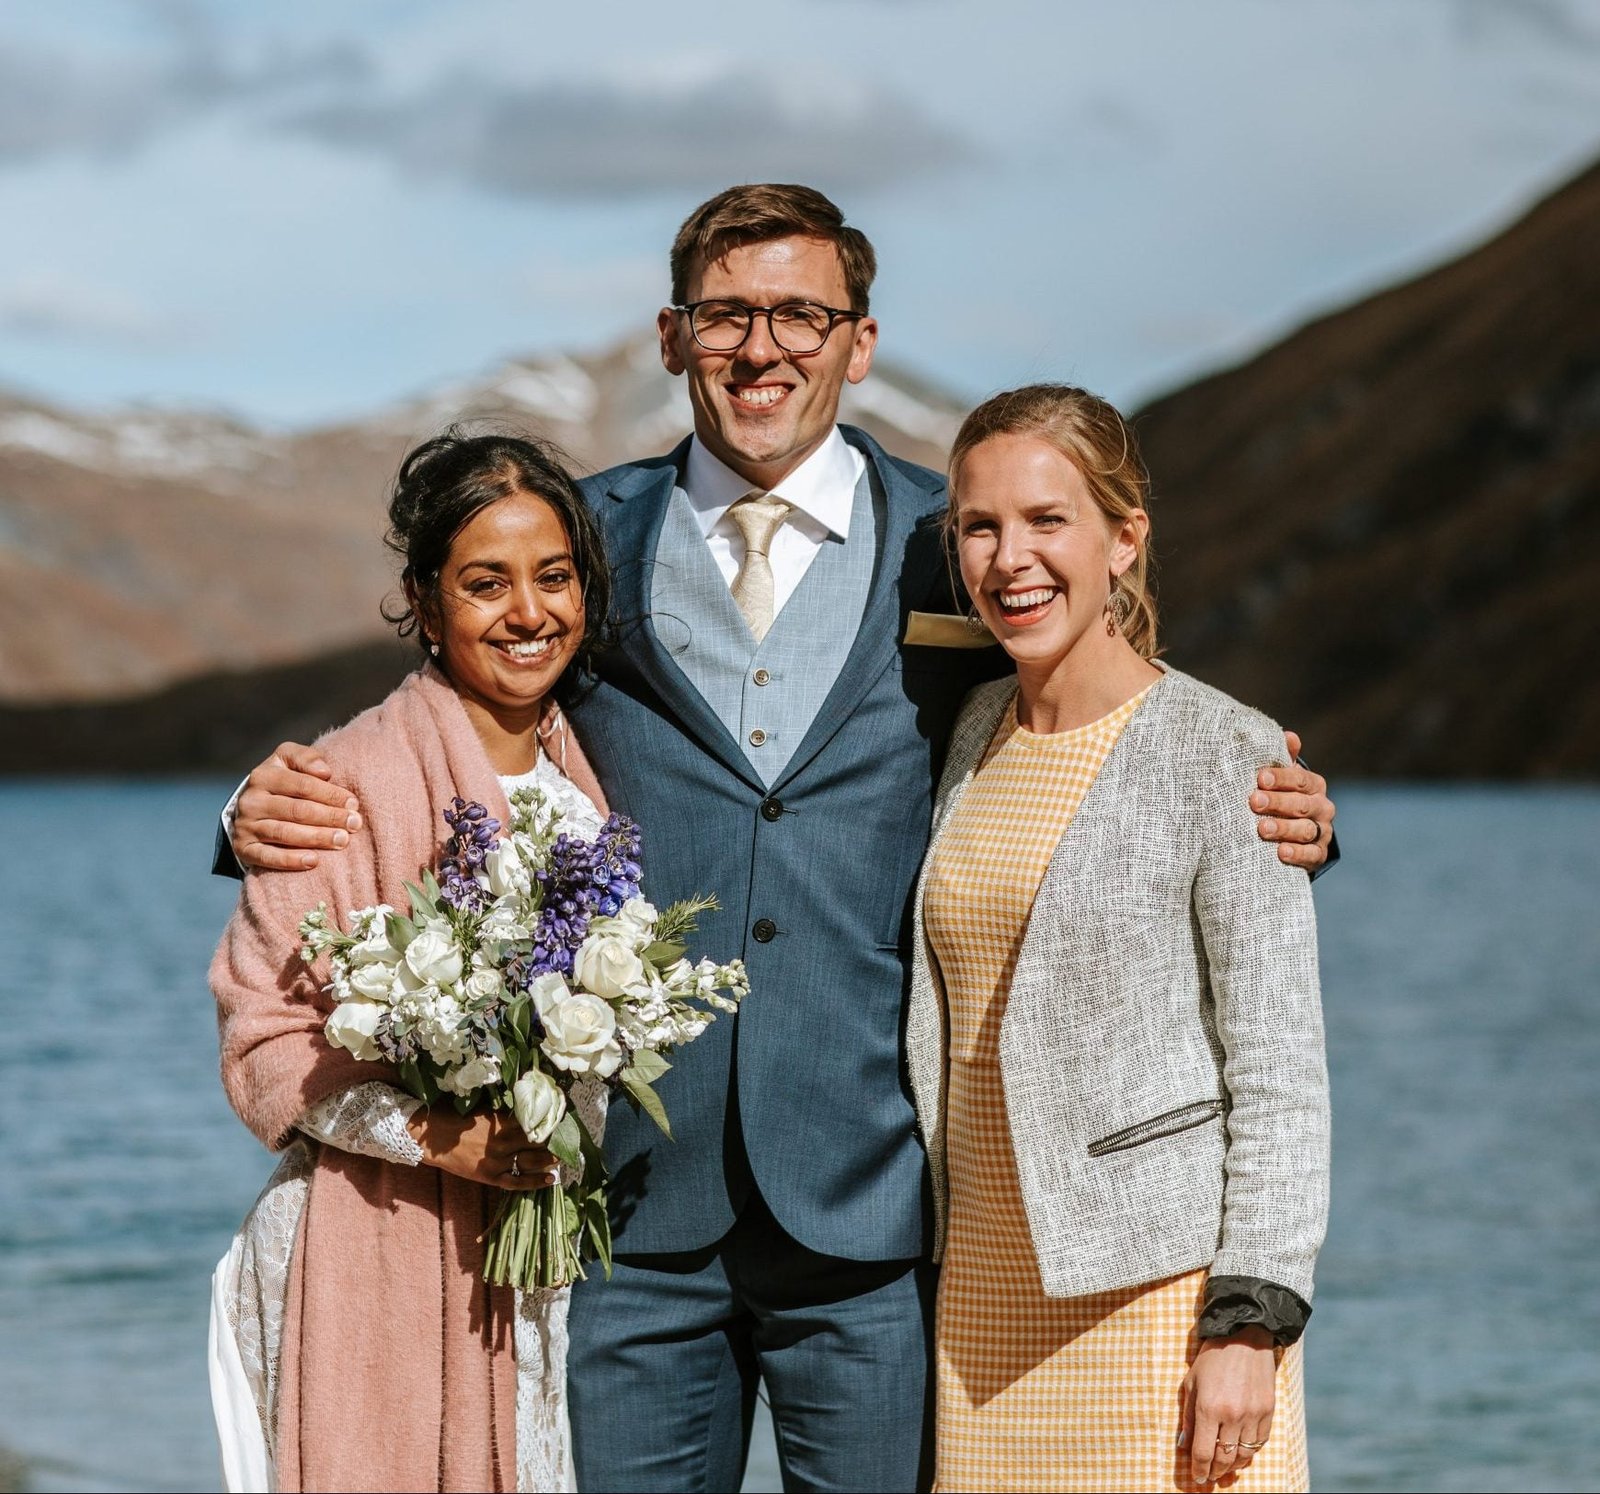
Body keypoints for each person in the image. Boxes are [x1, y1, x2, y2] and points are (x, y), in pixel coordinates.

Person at [216, 185, 1337, 1494]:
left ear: (858, 342)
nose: (764, 347)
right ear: (670, 335)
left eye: (801, 313)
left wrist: (1283, 810)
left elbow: (1104, 704)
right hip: (626, 1212)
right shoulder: (584, 540)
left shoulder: (953, 538)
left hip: (873, 1214)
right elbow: (456, 716)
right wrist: (248, 817)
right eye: (727, 314)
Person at [906, 383, 1329, 1493]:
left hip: (1159, 1303)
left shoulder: (1221, 748)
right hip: (979, 1305)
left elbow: (1279, 1068)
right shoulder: (970, 728)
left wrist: (1252, 1324)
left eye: (1048, 520)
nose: (1010, 559)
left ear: (1123, 540)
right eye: (981, 527)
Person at [208, 432, 618, 1493]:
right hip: (384, 1244)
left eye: (554, 576)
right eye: (486, 583)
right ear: (425, 603)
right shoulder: (341, 784)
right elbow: (267, 1041)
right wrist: (444, 1137)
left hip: (559, 1267)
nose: (529, 612)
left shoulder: (594, 763)